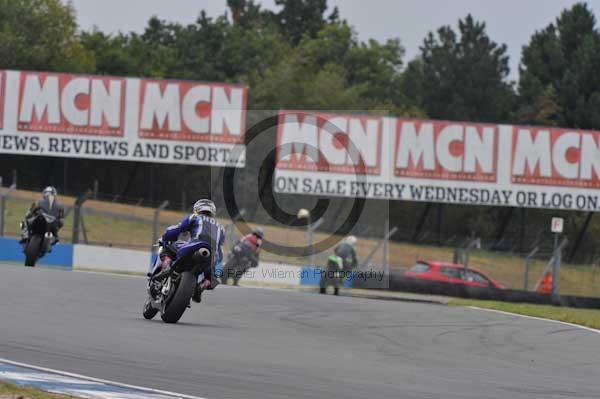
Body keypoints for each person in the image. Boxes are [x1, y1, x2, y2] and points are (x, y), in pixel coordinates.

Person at [150, 199, 225, 303]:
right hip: (212, 255)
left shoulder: (195, 217)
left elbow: (177, 229)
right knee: (213, 277)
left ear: (197, 209)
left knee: (168, 246)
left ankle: (166, 265)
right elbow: (220, 250)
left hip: (192, 247)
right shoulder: (221, 228)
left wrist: (165, 237)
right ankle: (202, 286)